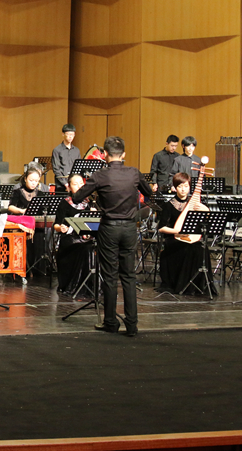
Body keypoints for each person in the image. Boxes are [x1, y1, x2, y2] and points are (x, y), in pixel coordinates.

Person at [72, 136, 152, 337]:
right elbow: (149, 192)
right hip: (129, 228)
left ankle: (110, 322)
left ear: (105, 154)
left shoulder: (100, 175)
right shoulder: (134, 173)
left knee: (110, 276)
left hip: (109, 228)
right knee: (129, 276)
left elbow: (77, 197)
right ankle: (132, 325)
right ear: (123, 154)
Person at [156, 172, 216, 296]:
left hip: (191, 238)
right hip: (174, 239)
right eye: (180, 186)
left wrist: (207, 210)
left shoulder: (195, 204)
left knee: (202, 249)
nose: (183, 189)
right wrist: (177, 231)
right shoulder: (168, 205)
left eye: (186, 186)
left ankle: (199, 285)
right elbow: (161, 228)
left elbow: (206, 223)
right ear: (175, 188)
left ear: (190, 187)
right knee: (186, 249)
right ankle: (183, 285)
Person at [54, 173, 95, 297]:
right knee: (82, 248)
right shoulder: (65, 203)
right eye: (75, 184)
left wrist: (94, 215)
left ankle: (91, 286)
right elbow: (56, 225)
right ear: (69, 187)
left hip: (86, 237)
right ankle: (74, 285)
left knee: (91, 247)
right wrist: (61, 228)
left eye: (81, 184)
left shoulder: (90, 202)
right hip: (70, 238)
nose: (79, 186)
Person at [9, 167, 50, 276]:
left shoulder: (40, 194)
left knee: (40, 236)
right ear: (25, 179)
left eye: (36, 181)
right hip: (21, 224)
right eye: (31, 180)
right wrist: (22, 211)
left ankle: (38, 268)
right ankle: (22, 267)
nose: (33, 183)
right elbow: (10, 207)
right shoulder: (18, 192)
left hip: (36, 224)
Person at [51, 124, 80, 190]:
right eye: (68, 134)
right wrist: (65, 184)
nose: (70, 136)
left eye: (72, 134)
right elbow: (56, 169)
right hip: (61, 185)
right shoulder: (57, 150)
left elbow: (78, 168)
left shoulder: (76, 150)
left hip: (74, 184)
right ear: (63, 134)